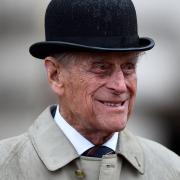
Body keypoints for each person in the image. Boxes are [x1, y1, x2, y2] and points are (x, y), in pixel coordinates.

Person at [0, 0, 179, 179]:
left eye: (128, 67)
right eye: (101, 67)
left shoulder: (170, 170)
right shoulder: (7, 167)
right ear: (55, 75)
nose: (120, 85)